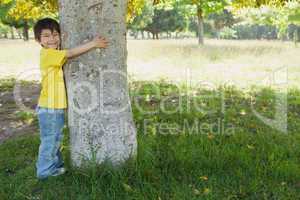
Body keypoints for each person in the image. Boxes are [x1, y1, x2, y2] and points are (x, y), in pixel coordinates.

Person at [33, 18, 109, 179]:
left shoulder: (53, 54)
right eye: (46, 36)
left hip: (53, 107)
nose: (52, 39)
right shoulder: (48, 54)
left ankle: (55, 166)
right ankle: (45, 172)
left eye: (55, 34)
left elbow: (65, 56)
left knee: (55, 138)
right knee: (51, 140)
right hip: (50, 107)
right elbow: (70, 53)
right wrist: (93, 44)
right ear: (38, 40)